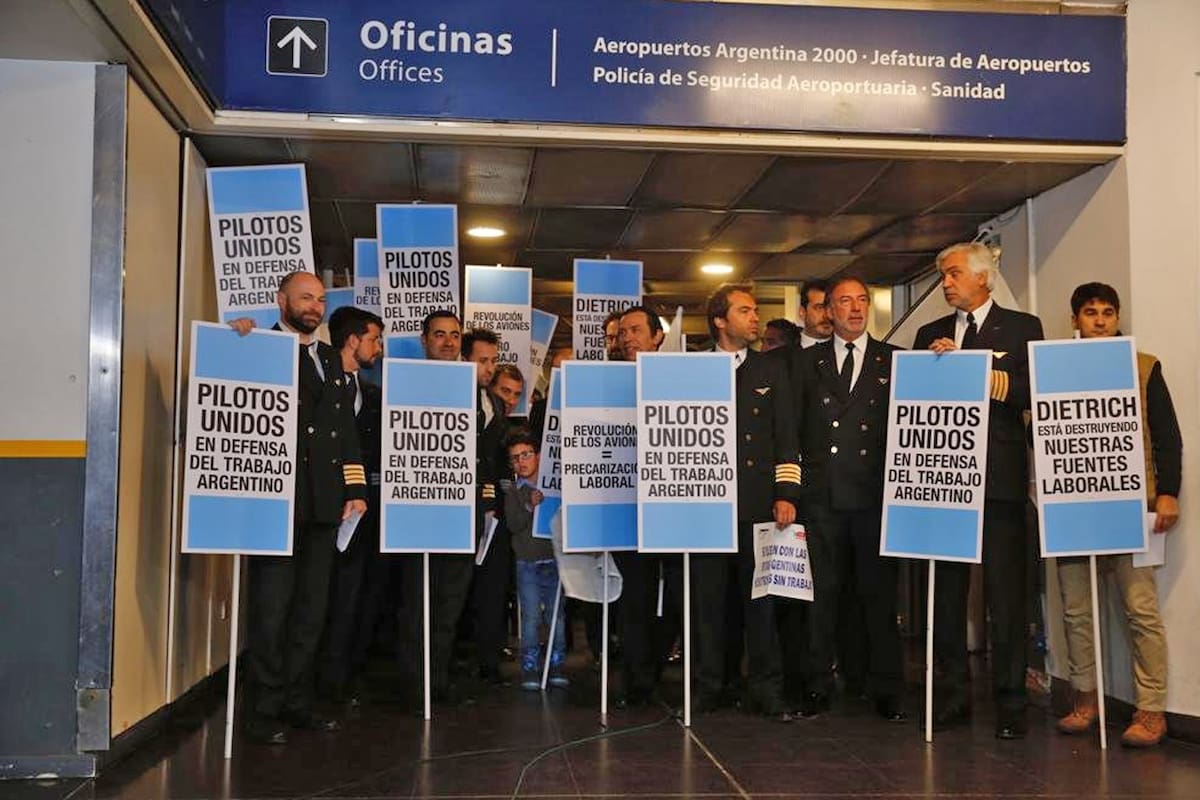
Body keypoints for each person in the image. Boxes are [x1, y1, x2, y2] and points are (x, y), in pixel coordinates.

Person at [228, 271, 368, 744]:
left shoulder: (332, 358)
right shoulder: (257, 346)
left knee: (312, 611)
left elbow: (345, 430)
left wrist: (357, 489)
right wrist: (236, 343)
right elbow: (228, 396)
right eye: (305, 297)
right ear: (281, 300)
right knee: (272, 611)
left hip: (325, 504)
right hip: (277, 501)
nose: (314, 306)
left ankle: (295, 700)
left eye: (320, 299)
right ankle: (263, 709)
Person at [914, 241, 1044, 739]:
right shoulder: (928, 334)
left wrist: (972, 370)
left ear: (983, 277)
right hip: (944, 485)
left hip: (1000, 483)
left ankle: (1011, 702)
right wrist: (936, 368)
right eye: (943, 276)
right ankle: (953, 696)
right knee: (945, 597)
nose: (945, 284)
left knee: (1006, 598)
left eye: (951, 275)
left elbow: (1031, 389)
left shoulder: (1022, 327)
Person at [1054, 282, 1181, 747]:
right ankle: (1084, 700)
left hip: (1134, 507)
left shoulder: (1143, 366)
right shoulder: (1055, 368)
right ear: (1075, 319)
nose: (1101, 320)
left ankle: (1151, 710)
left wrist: (1168, 492)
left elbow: (1166, 434)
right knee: (1076, 612)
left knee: (1140, 609)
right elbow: (1039, 437)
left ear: (1118, 316)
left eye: (1108, 312)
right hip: (1071, 509)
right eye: (1091, 312)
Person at [790, 276, 905, 722]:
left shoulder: (894, 360)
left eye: (862, 301)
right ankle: (817, 685)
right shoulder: (806, 363)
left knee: (878, 598)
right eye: (845, 302)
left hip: (876, 498)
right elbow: (791, 432)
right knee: (821, 598)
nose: (855, 309)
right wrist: (790, 491)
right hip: (821, 499)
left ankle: (884, 689)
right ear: (828, 311)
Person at [692, 284, 801, 722]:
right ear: (720, 320)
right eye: (744, 311)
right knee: (709, 604)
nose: (754, 318)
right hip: (706, 507)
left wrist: (786, 493)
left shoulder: (771, 370)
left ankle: (766, 690)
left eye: (756, 311)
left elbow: (786, 436)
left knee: (762, 605)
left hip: (758, 503)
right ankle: (710, 686)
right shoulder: (693, 369)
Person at [396, 310, 477, 704]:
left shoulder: (475, 388)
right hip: (416, 512)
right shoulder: (406, 382)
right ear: (424, 340)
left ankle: (438, 682)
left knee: (449, 608)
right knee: (416, 606)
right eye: (440, 335)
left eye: (455, 335)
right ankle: (416, 687)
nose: (448, 342)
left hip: (460, 515)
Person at [613, 305, 680, 705]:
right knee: (634, 599)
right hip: (626, 507)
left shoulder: (678, 380)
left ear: (658, 336)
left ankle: (659, 666)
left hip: (673, 509)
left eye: (636, 330)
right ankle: (638, 682)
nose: (627, 339)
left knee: (674, 596)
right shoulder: (608, 380)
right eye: (623, 333)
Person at [319, 306, 385, 707]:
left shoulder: (371, 392)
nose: (379, 347)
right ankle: (318, 682)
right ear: (353, 339)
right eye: (375, 338)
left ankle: (341, 680)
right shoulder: (320, 382)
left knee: (355, 598)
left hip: (363, 515)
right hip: (325, 511)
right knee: (323, 600)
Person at [502, 429, 568, 690]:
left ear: (538, 456)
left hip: (553, 561)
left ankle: (556, 663)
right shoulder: (513, 493)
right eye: (515, 458)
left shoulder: (553, 486)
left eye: (526, 454)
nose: (521, 461)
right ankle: (530, 667)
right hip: (527, 564)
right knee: (530, 617)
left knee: (557, 617)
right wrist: (530, 505)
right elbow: (514, 524)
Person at [462, 328, 511, 684]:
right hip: (457, 509)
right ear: (465, 360)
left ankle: (489, 662)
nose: (490, 368)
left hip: (492, 514)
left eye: (493, 360)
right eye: (483, 360)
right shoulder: (448, 397)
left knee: (493, 589)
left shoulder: (496, 405)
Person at [798, 280, 833, 349]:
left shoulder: (849, 351)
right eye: (819, 308)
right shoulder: (780, 356)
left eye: (831, 308)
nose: (826, 315)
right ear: (802, 312)